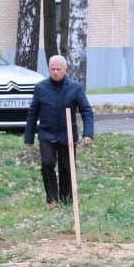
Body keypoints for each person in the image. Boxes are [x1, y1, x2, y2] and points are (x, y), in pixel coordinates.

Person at [24, 55, 94, 206]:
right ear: (49, 69)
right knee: (47, 163)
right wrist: (29, 137)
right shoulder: (41, 88)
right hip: (47, 134)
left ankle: (65, 199)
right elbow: (32, 113)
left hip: (67, 134)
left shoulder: (75, 88)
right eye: (52, 69)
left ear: (65, 70)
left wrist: (88, 134)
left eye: (58, 69)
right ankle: (52, 199)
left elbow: (86, 111)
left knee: (67, 168)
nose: (55, 72)